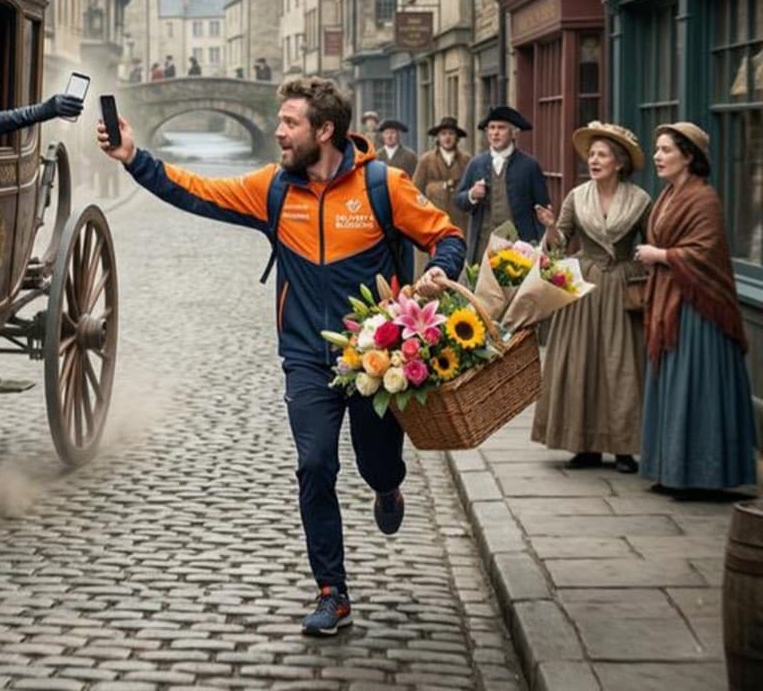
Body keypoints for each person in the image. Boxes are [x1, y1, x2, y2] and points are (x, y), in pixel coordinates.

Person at [97, 75, 466, 636]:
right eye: (279, 122)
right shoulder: (273, 189)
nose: (278, 132)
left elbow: (447, 235)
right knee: (314, 465)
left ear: (325, 130)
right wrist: (133, 158)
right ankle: (331, 592)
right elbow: (195, 190)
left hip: (378, 358)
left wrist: (443, 268)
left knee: (377, 463)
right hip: (306, 355)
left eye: (290, 123)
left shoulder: (382, 186)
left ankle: (389, 486)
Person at [635, 122, 756, 494]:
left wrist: (661, 255)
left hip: (696, 309)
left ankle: (702, 474)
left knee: (694, 385)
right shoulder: (669, 194)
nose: (657, 156)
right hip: (669, 301)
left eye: (666, 150)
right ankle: (671, 470)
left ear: (689, 157)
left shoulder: (703, 199)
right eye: (656, 149)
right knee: (672, 384)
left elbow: (705, 253)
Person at [532, 122, 651, 473]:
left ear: (619, 163)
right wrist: (552, 226)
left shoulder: (639, 200)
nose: (594, 161)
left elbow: (654, 239)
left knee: (621, 365)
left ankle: (625, 448)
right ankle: (583, 445)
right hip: (583, 286)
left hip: (622, 288)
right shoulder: (576, 196)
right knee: (581, 362)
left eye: (602, 155)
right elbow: (558, 245)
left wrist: (648, 260)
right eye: (592, 155)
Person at [455, 105, 551, 260]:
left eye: (501, 128)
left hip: (520, 250)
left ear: (513, 133)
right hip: (483, 248)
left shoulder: (529, 166)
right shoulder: (476, 163)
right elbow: (459, 200)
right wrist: (471, 195)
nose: (495, 133)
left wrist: (537, 245)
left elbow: (543, 209)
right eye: (491, 128)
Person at [412, 116, 473, 273]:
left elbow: (471, 191)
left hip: (459, 221)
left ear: (457, 138)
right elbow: (415, 191)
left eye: (451, 134)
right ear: (438, 138)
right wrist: (438, 188)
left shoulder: (466, 160)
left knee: (458, 261)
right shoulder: (426, 160)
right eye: (443, 134)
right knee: (432, 262)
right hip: (432, 220)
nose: (447, 137)